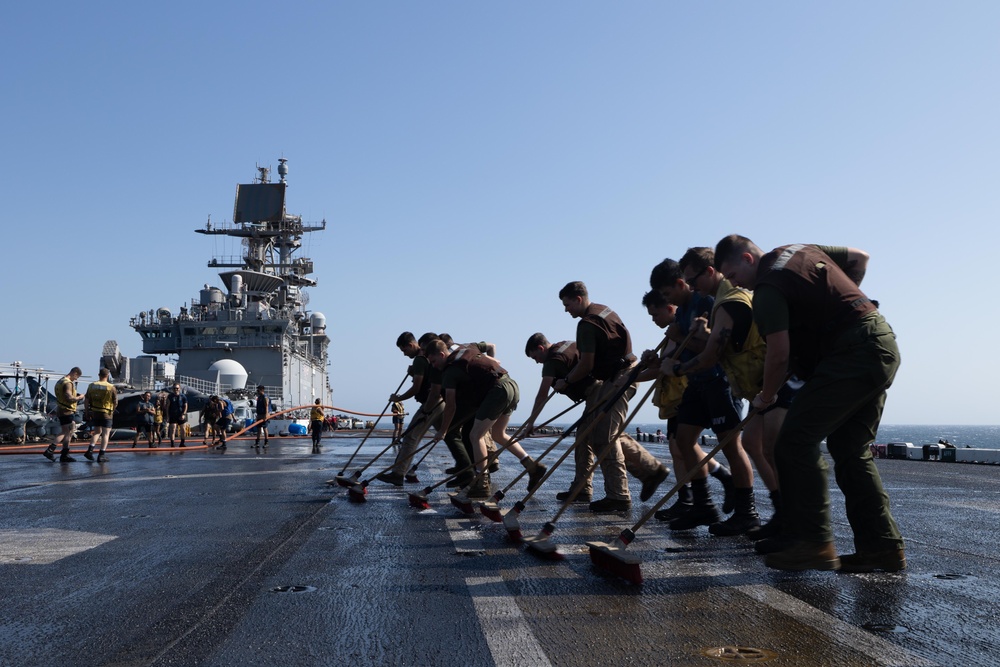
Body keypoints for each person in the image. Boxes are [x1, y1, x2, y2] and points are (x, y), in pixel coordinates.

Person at [714, 235, 904, 572]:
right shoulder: (801, 249)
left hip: (852, 352)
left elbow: (779, 355)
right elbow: (860, 258)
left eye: (731, 275)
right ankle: (882, 548)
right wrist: (837, 306)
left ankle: (814, 543)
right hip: (879, 341)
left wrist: (766, 396)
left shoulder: (768, 288)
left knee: (794, 441)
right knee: (850, 448)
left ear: (747, 258)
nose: (733, 283)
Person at [649, 258, 758, 534]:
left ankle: (748, 512)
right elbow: (683, 349)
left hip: (720, 382)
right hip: (695, 383)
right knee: (684, 441)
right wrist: (657, 358)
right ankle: (703, 505)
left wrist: (681, 333)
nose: (666, 299)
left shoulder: (705, 303)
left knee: (730, 445)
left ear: (679, 284)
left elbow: (712, 350)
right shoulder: (684, 310)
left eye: (666, 294)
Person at [555, 281, 669, 512]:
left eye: (567, 305)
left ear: (578, 299)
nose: (566, 311)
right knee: (601, 432)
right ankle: (651, 470)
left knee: (604, 438)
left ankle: (619, 496)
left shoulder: (587, 324)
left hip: (619, 377)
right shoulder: (605, 310)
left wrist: (565, 382)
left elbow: (586, 365)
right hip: (625, 372)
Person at [522, 332, 667, 507]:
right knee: (583, 439)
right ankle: (581, 489)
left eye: (536, 357)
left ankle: (640, 478)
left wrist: (531, 423)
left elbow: (542, 394)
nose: (537, 361)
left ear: (541, 348)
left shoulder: (551, 361)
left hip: (598, 391)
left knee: (605, 437)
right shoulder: (569, 344)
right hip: (600, 387)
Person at [634, 289, 734, 523]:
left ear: (669, 307)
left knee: (680, 447)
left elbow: (691, 357)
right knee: (677, 448)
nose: (653, 319)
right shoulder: (673, 331)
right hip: (680, 396)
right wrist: (653, 360)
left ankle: (710, 484)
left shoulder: (681, 329)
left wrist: (637, 374)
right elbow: (666, 362)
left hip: (688, 392)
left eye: (654, 314)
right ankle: (688, 498)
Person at [425, 339, 546, 499]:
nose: (433, 365)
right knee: (498, 434)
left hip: (497, 390)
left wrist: (443, 430)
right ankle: (532, 466)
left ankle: (482, 484)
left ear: (442, 354)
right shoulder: (466, 347)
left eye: (433, 361)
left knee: (475, 436)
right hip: (511, 384)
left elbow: (451, 406)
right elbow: (492, 354)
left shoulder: (450, 372)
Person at [375, 332, 452, 487]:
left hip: (432, 402)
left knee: (411, 437)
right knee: (450, 436)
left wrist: (398, 398)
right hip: (440, 401)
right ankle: (467, 469)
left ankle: (398, 473)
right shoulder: (425, 356)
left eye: (404, 351)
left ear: (411, 345)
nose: (404, 355)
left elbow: (416, 388)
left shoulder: (419, 359)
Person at [44, 367, 85, 462]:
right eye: (77, 377)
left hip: (61, 409)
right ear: (74, 373)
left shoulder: (60, 381)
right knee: (65, 432)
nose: (76, 379)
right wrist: (80, 397)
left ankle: (65, 453)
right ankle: (50, 450)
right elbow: (69, 397)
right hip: (67, 410)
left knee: (69, 430)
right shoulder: (68, 383)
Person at [84, 367, 118, 463]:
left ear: (99, 375)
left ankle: (89, 451)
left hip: (95, 411)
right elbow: (115, 402)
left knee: (97, 431)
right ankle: (101, 455)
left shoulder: (91, 386)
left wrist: (87, 411)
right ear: (107, 376)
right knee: (106, 434)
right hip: (106, 412)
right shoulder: (111, 387)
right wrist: (112, 410)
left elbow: (86, 400)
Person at [165, 383, 187, 447]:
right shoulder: (170, 396)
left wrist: (183, 414)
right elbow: (167, 407)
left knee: (183, 429)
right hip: (173, 414)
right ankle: (172, 443)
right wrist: (167, 416)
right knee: (173, 428)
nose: (176, 390)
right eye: (174, 388)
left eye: (177, 388)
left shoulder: (183, 396)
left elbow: (185, 406)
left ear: (179, 389)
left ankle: (182, 442)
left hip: (180, 414)